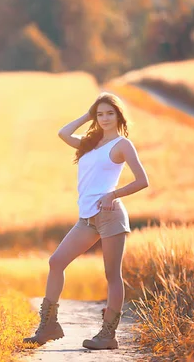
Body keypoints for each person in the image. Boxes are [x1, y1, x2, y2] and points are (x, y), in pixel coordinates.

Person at [23, 92, 149, 350]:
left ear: (119, 116)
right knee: (56, 262)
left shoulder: (122, 145)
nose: (104, 118)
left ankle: (108, 335)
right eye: (100, 114)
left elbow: (142, 181)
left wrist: (113, 194)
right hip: (87, 218)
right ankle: (49, 326)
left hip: (110, 215)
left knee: (112, 275)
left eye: (109, 113)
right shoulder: (89, 143)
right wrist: (87, 115)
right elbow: (63, 133)